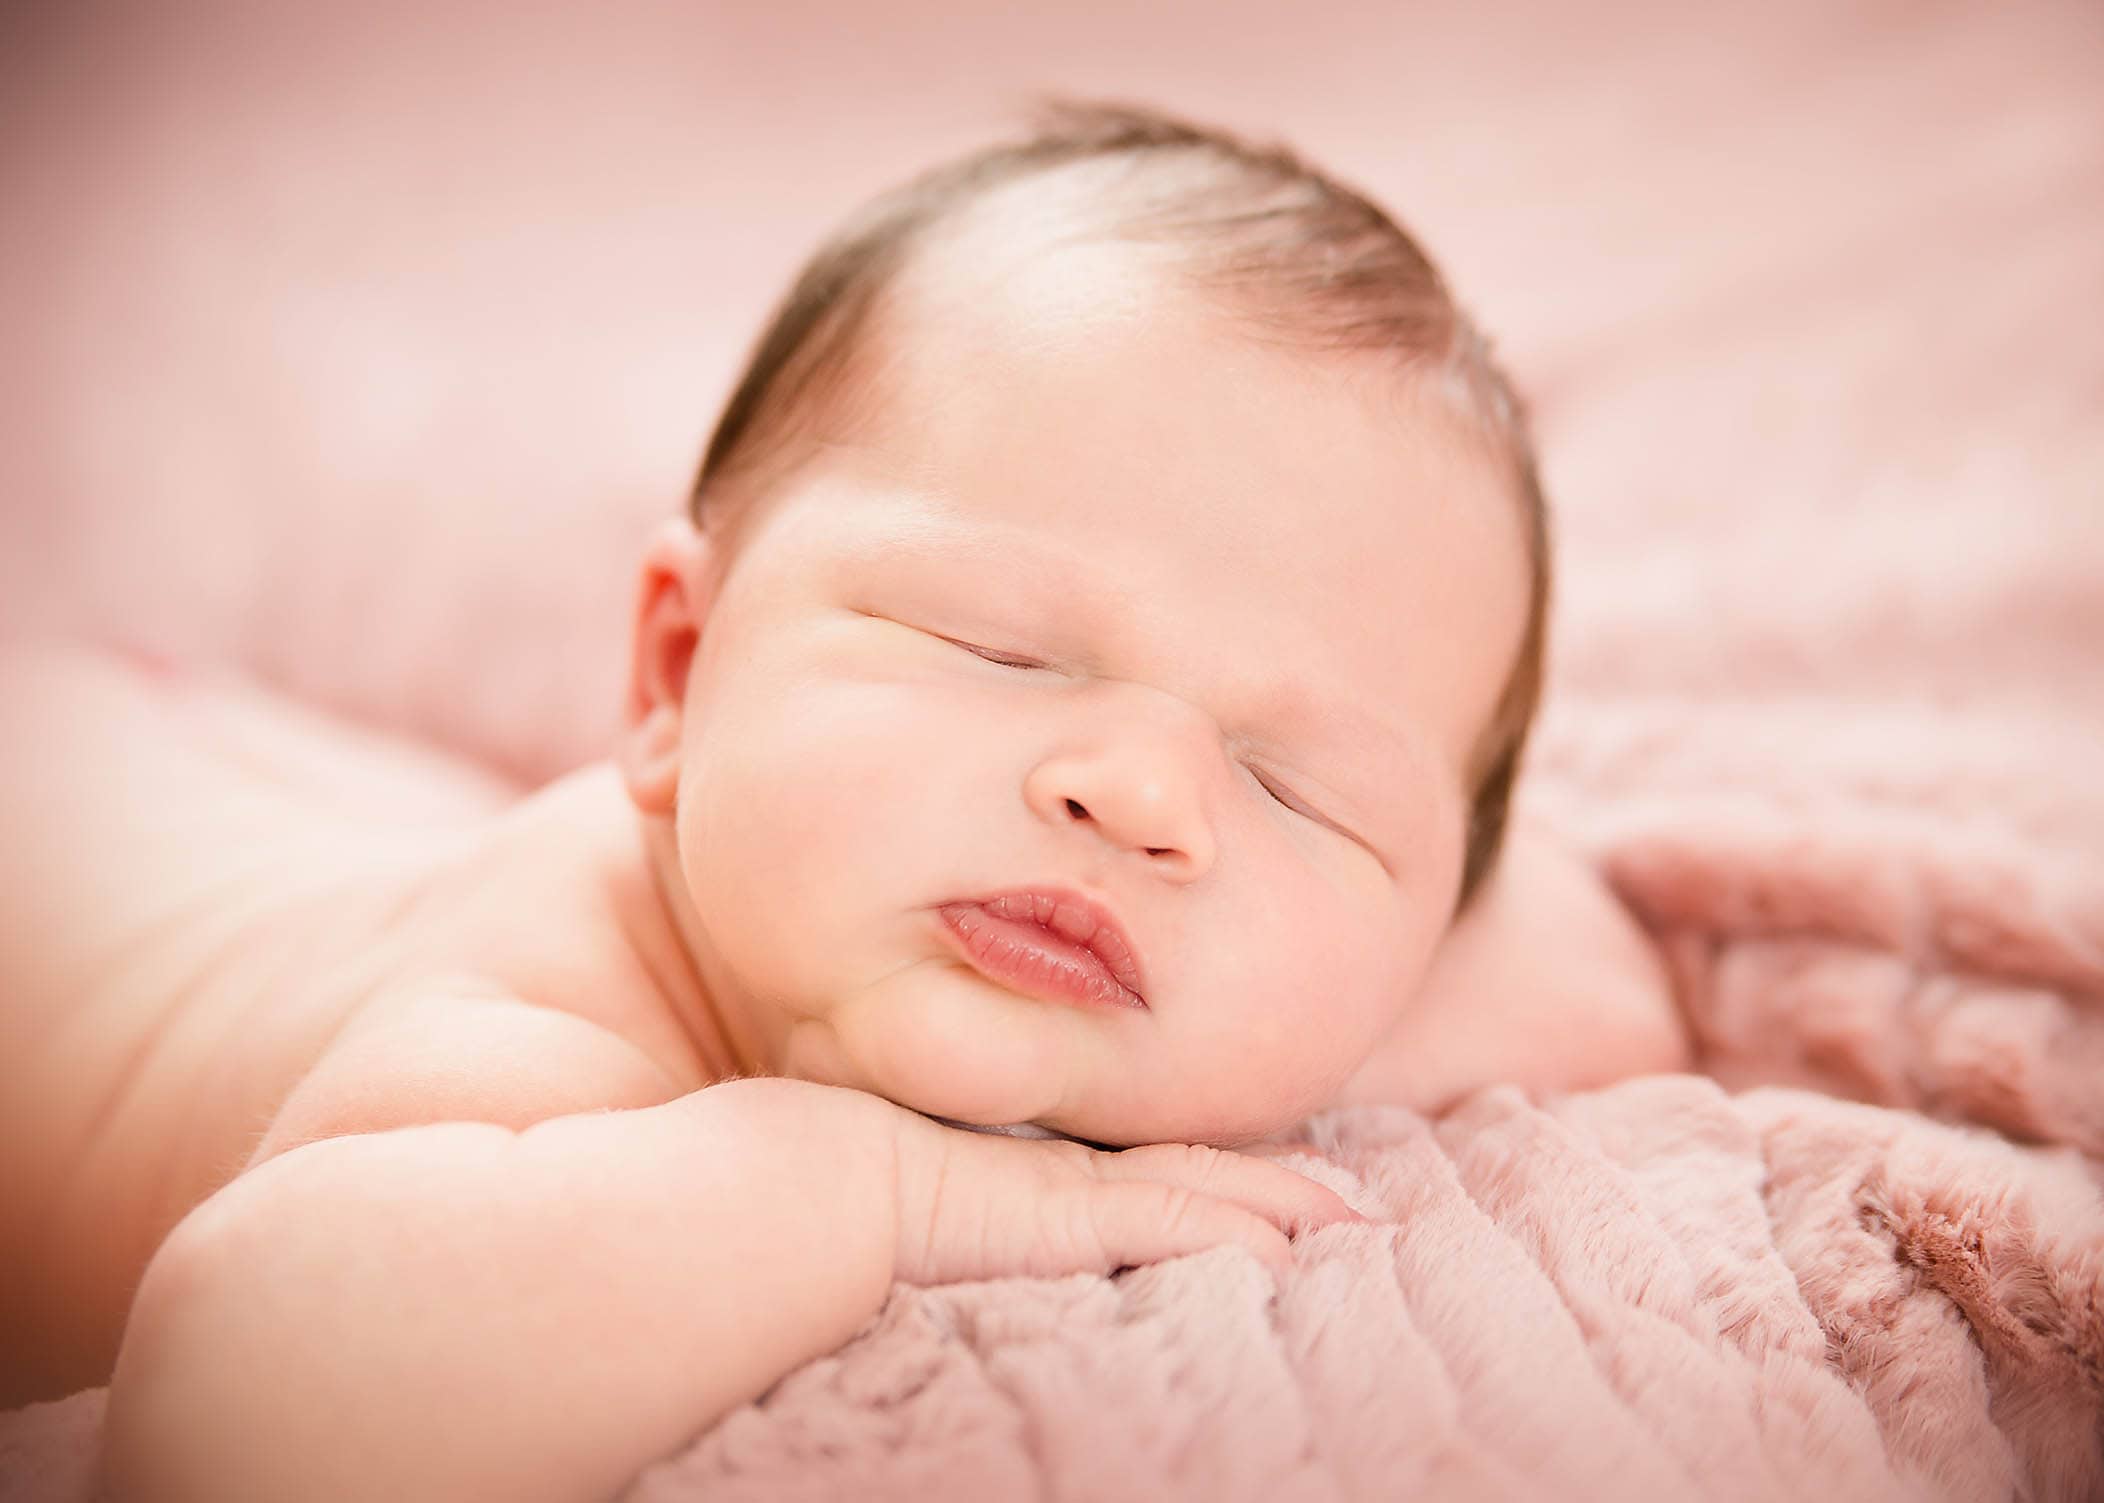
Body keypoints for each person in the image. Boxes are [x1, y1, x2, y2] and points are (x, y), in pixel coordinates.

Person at [0, 102, 1686, 1499]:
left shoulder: (1201, 890)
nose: (1146, 791)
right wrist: (889, 1191)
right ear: (674, 675)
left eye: (1295, 789)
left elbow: (1595, 980)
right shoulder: (537, 1043)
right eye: (1002, 651)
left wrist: (1301, 1005)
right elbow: (236, 1409)